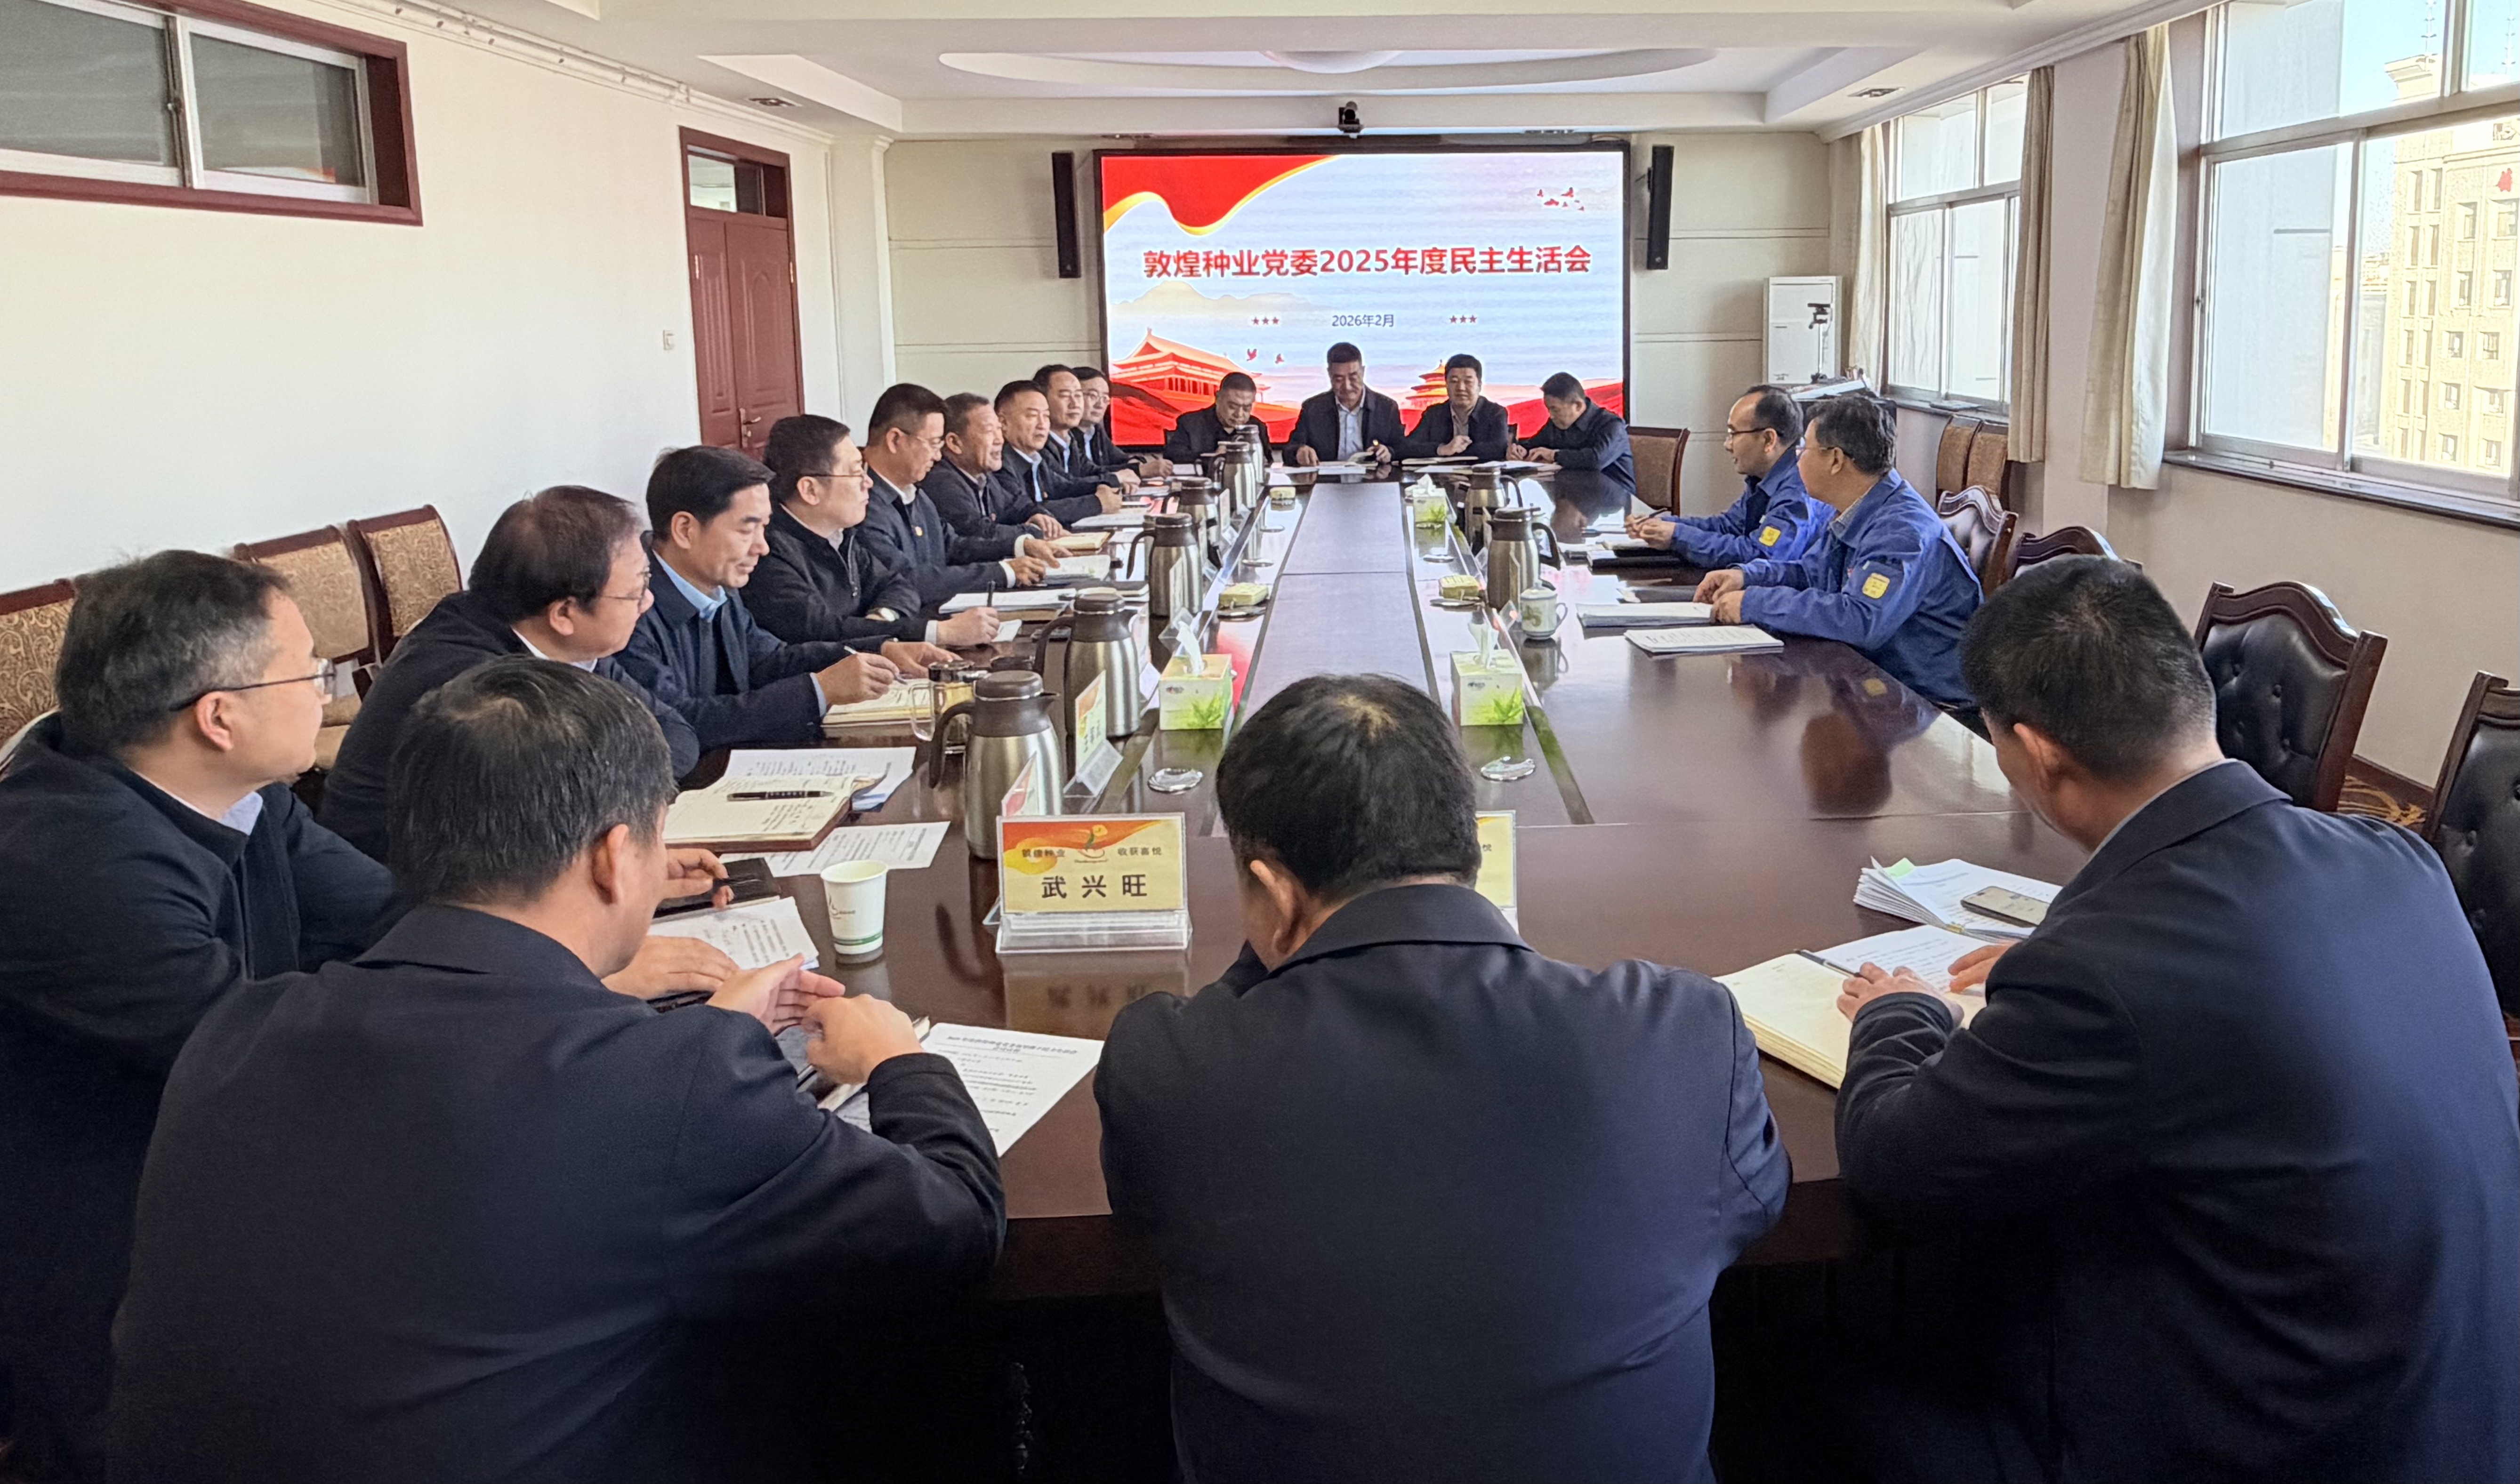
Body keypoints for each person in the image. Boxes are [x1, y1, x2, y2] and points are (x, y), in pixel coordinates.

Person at [111, 660, 1005, 1484]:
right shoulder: (665, 1084)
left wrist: (689, 1039)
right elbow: (954, 1222)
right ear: (615, 857)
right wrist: (899, 1059)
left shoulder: (238, 1031)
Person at [1832, 557, 2520, 1484]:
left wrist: (1899, 1011)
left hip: (2264, 1446)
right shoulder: (2395, 856)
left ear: (2036, 753)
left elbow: (1892, 1165)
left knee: (1805, 1357)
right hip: (2454, 1420)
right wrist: (2069, 962)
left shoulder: (2103, 968)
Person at [1097, 674, 1787, 1484]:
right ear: (1471, 850)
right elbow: (1754, 1204)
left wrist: (1277, 949)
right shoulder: (1681, 1033)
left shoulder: (1168, 1065)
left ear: (1275, 892)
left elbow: (1149, 1208)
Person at [0, 553, 397, 1484]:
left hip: (223, 1179)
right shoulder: (67, 858)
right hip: (106, 1258)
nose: (327, 691)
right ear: (219, 716)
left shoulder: (242, 795)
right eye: (308, 672)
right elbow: (258, 1055)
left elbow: (388, 910)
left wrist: (559, 920)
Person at [319, 486, 701, 860]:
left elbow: (674, 731)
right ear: (564, 613)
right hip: (399, 885)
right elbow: (561, 814)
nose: (648, 602)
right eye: (635, 591)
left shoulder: (569, 640)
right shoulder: (476, 689)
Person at [1694, 393, 1980, 710]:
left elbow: (1860, 619)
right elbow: (1810, 573)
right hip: (1873, 684)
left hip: (1926, 705)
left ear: (1835, 460)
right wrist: (1746, 577)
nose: (1797, 459)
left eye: (1804, 449)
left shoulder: (1902, 531)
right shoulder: (1858, 507)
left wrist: (1754, 603)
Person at [615, 444, 900, 752]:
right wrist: (819, 690)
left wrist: (879, 650)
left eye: (764, 528)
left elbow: (769, 660)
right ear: (685, 530)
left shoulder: (719, 587)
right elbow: (680, 723)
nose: (762, 548)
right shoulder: (629, 611)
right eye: (746, 530)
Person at [752, 409, 1011, 646]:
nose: (868, 482)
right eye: (856, 472)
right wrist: (938, 633)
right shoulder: (767, 554)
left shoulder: (841, 536)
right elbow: (823, 631)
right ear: (810, 490)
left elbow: (898, 585)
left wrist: (881, 620)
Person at [1627, 385, 1830, 567]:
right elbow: (1729, 526)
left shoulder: (1798, 490)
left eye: (1734, 434)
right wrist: (1664, 525)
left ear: (1769, 439)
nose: (1727, 445)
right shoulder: (1764, 478)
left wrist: (1677, 535)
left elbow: (1761, 558)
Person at [992, 380, 1126, 531]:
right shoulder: (999, 464)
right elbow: (1027, 512)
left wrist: (1107, 485)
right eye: (1032, 416)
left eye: (1046, 416)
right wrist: (1096, 503)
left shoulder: (1035, 458)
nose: (1042, 425)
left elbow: (1065, 487)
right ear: (1003, 423)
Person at [1510, 371, 1634, 496]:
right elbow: (1535, 445)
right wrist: (1521, 451)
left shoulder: (1611, 425)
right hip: (1574, 493)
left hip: (1614, 498)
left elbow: (1596, 460)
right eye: (1549, 410)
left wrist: (1554, 455)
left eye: (1555, 410)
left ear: (1578, 406)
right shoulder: (1557, 424)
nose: (1551, 416)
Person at [1286, 342, 1404, 466]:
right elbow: (1290, 449)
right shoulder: (1313, 409)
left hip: (1373, 476)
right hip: (1327, 477)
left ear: (1363, 372)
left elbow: (1402, 447)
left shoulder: (1386, 408)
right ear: (1329, 375)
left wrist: (1389, 452)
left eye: (1353, 378)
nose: (1347, 387)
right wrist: (1299, 452)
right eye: (1339, 379)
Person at [1034, 363, 1137, 489]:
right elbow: (1062, 487)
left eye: (1078, 395)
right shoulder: (1037, 443)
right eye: (1065, 396)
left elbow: (1090, 471)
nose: (1075, 404)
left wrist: (1125, 475)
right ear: (1041, 400)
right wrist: (1115, 479)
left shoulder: (1069, 440)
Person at [1400, 353, 1511, 461]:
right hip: (1440, 473)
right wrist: (1442, 449)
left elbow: (1499, 449)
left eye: (1468, 382)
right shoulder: (1434, 414)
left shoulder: (1495, 413)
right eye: (1454, 382)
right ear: (1447, 385)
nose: (1461, 388)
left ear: (1480, 386)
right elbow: (1407, 447)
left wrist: (1455, 451)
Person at [1071, 365, 1169, 480]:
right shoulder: (1064, 435)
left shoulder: (1094, 430)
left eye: (1105, 398)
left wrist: (1134, 463)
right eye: (1093, 396)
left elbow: (1121, 459)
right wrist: (1139, 470)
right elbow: (1084, 475)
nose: (1100, 405)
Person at [1163, 371, 1275, 464]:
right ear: (1218, 398)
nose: (1239, 414)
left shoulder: (1256, 428)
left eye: (1246, 408)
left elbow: (1268, 462)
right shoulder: (1191, 423)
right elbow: (1172, 457)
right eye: (1232, 407)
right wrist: (1213, 458)